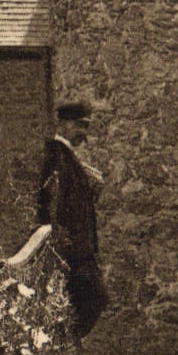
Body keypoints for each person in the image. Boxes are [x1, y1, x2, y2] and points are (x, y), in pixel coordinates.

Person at [36, 99, 108, 338]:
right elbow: (52, 207)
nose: (83, 133)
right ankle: (64, 347)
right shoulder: (57, 157)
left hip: (80, 251)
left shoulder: (68, 158)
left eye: (86, 126)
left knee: (83, 304)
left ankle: (65, 348)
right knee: (95, 298)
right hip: (71, 253)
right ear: (62, 124)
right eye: (79, 125)